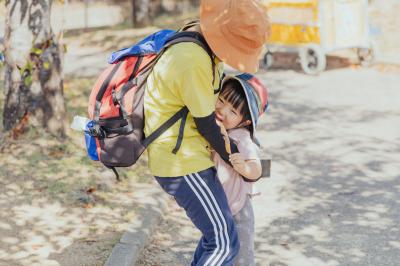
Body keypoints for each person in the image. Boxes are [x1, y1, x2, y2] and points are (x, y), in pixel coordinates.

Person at [143, 0, 270, 264]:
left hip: (190, 155)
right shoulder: (193, 58)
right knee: (223, 243)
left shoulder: (204, 45)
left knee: (218, 237)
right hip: (182, 161)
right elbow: (208, 125)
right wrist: (240, 160)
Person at [213, 74, 269, 266]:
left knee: (242, 258)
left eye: (233, 111)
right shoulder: (213, 128)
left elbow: (257, 168)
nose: (222, 110)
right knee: (220, 250)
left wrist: (244, 167)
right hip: (218, 208)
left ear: (245, 122)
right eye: (221, 100)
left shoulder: (241, 137)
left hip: (238, 209)